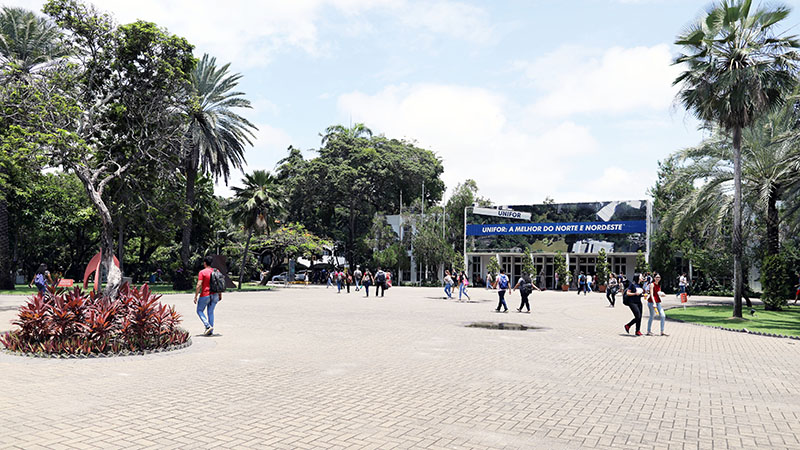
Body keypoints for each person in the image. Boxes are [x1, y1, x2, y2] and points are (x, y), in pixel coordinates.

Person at [194, 255, 222, 336]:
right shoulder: (217, 271)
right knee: (210, 312)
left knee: (199, 310)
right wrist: (220, 294)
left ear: (205, 263)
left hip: (205, 294)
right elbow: (219, 284)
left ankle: (207, 326)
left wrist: (196, 296)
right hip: (215, 294)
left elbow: (199, 284)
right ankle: (210, 331)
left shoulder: (202, 272)